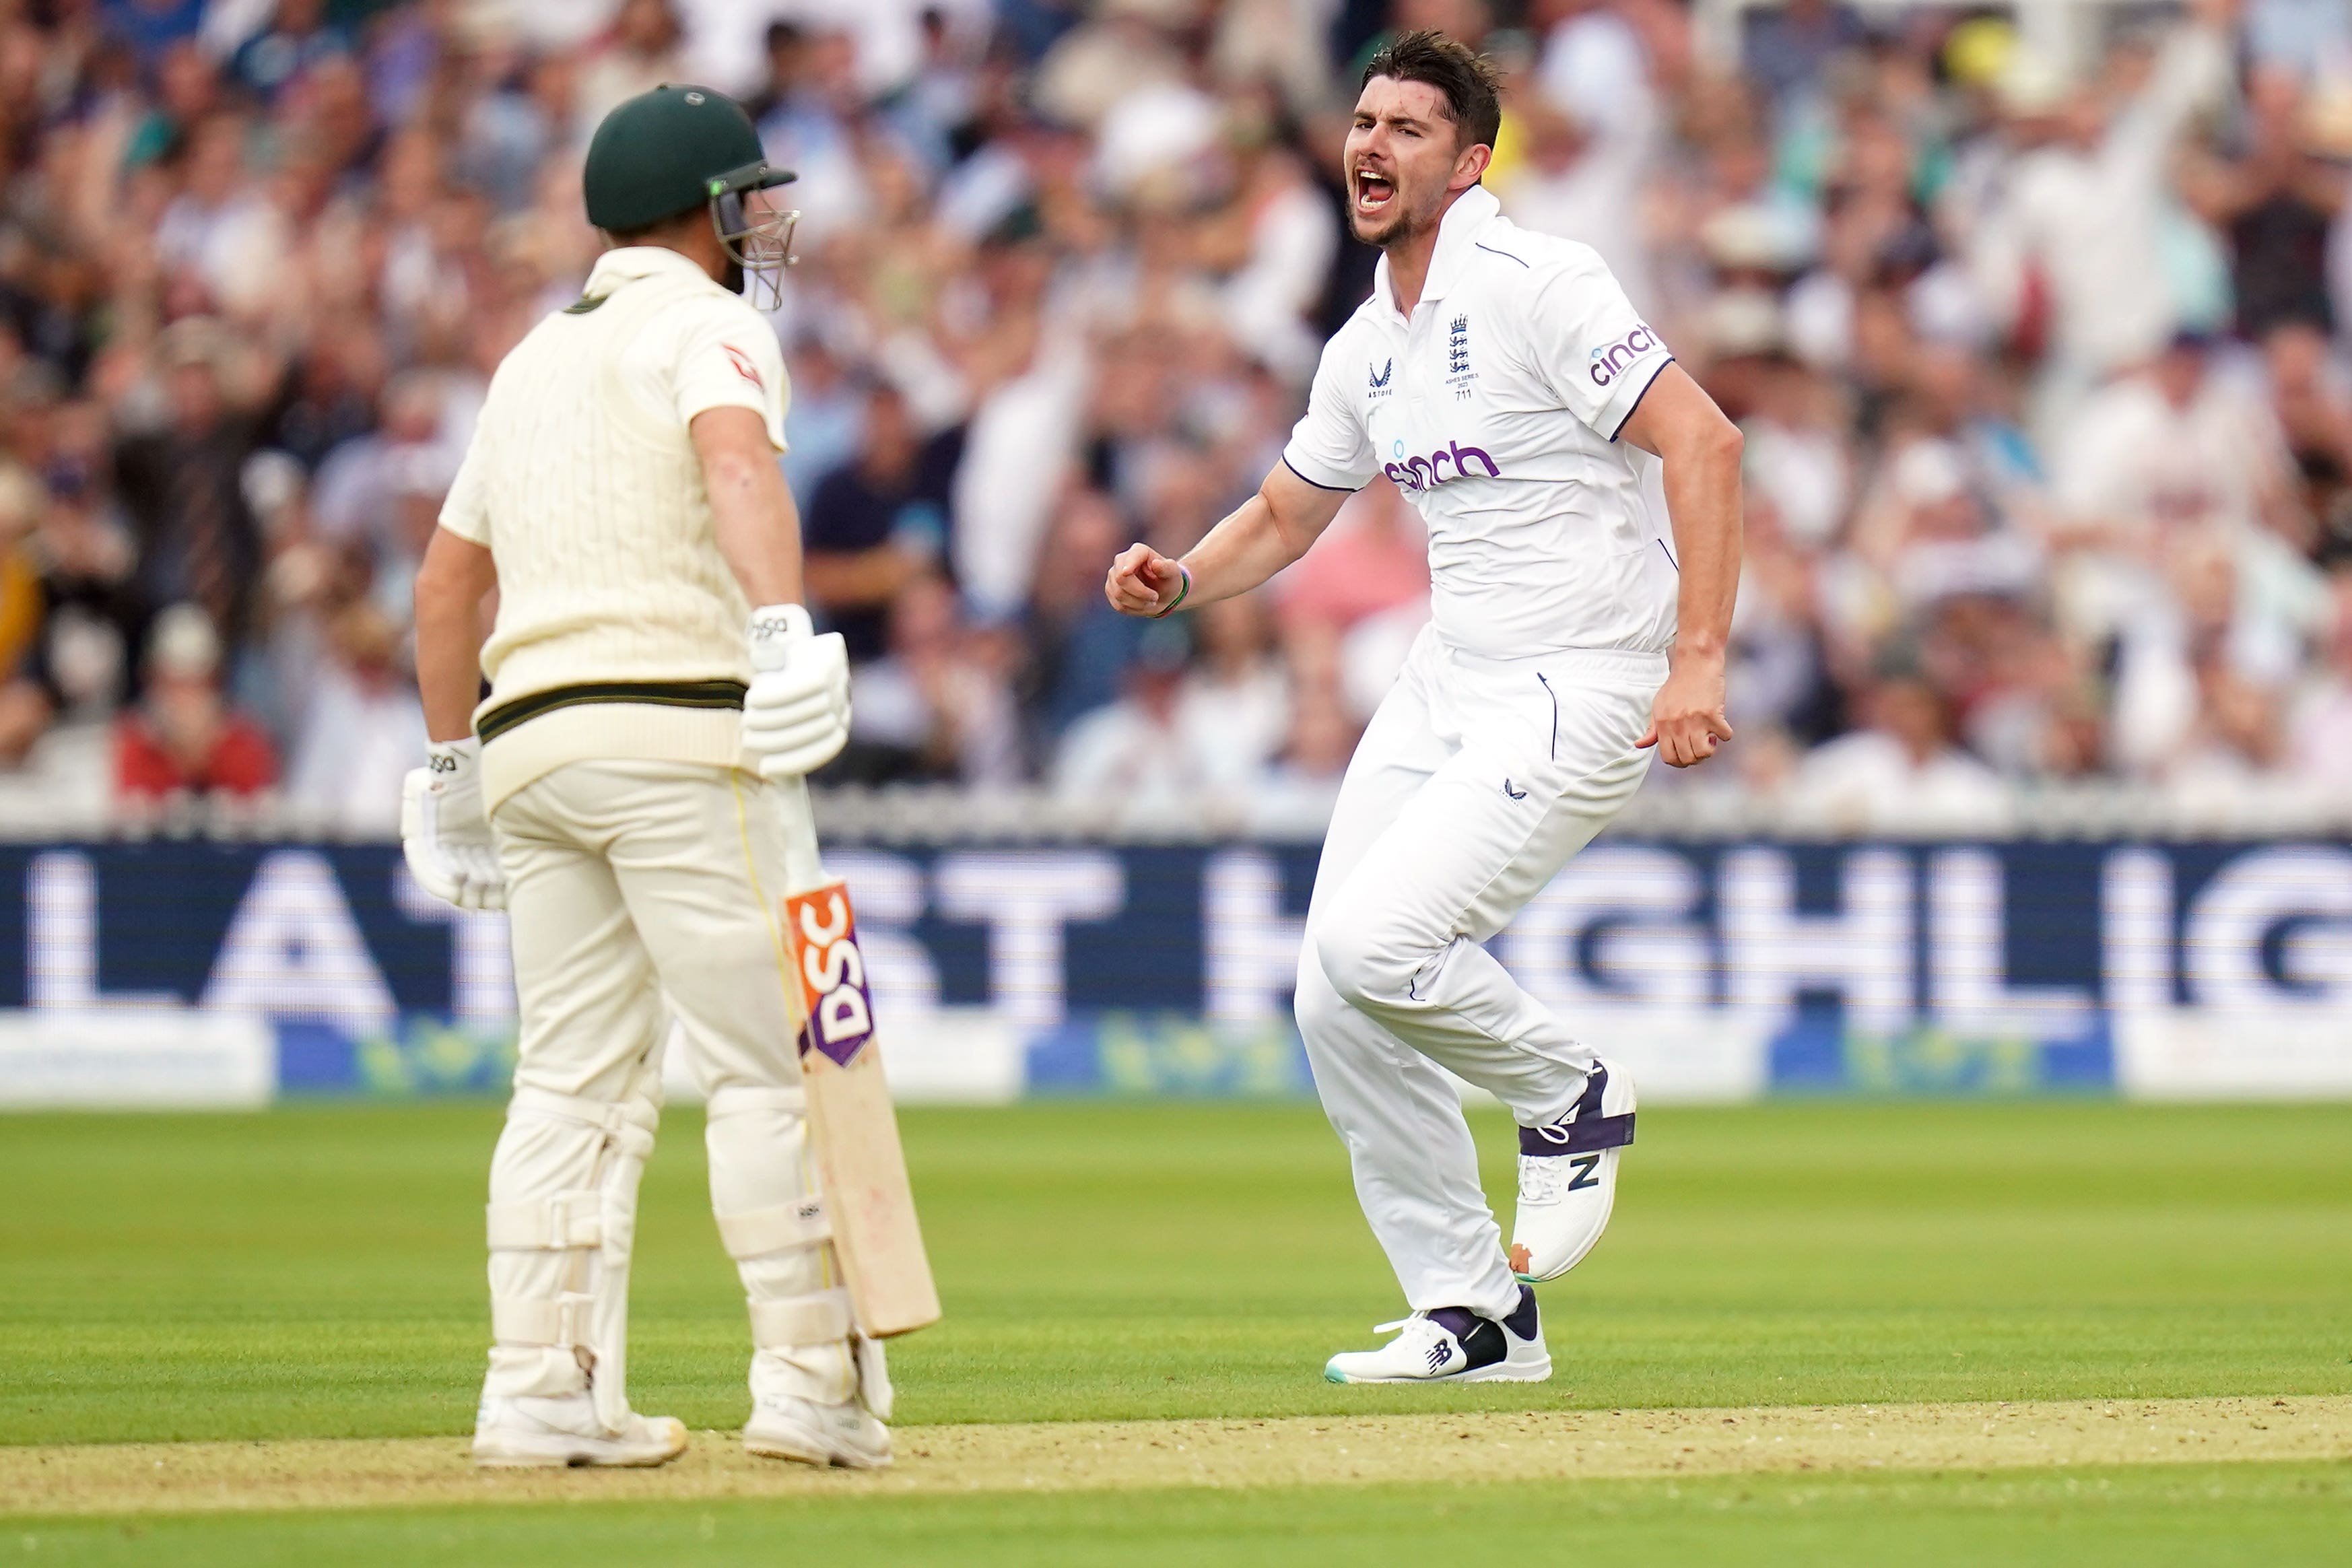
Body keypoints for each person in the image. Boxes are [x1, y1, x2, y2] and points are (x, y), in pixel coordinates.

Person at [1105, 31, 1743, 1385]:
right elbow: (1288, 513)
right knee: (1332, 993)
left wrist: (1700, 657)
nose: (1371, 145)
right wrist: (1178, 581)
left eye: (1406, 128)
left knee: (1381, 942)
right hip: (1452, 676)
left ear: (1469, 162)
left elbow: (1705, 439)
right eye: (1361, 120)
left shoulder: (1539, 281)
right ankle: (1476, 1314)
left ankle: (1568, 1093)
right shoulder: (1365, 342)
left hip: (1584, 676)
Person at [401, 85, 883, 1470]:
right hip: (679, 732)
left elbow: (446, 591)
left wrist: (450, 769)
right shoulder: (714, 325)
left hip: (533, 746)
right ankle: (806, 1383)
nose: (763, 222)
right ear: (709, 211)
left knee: (567, 1082)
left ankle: (540, 1390)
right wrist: (783, 624)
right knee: (773, 1068)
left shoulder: (529, 359)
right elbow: (736, 466)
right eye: (748, 198)